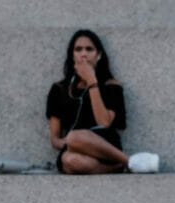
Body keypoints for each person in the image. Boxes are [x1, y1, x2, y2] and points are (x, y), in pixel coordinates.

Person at [48, 29, 131, 176]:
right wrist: (66, 142)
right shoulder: (59, 89)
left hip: (106, 149)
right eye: (78, 49)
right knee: (70, 160)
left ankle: (128, 161)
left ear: (98, 55)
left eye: (89, 49)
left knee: (76, 136)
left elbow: (104, 122)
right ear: (72, 55)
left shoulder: (111, 86)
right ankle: (121, 166)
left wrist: (92, 81)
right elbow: (55, 138)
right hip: (74, 148)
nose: (84, 54)